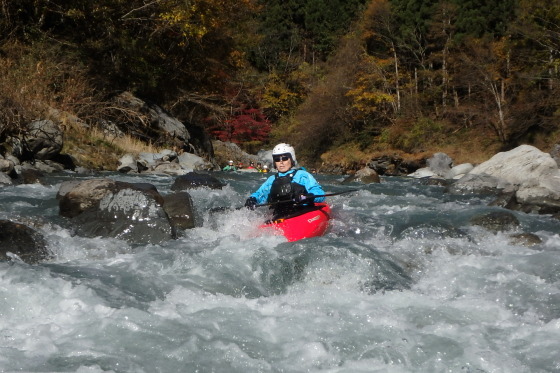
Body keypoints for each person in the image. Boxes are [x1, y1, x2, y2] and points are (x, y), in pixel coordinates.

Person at [245, 143, 325, 219]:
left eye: (284, 158)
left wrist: (307, 196)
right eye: (277, 159)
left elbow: (319, 193)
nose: (281, 162)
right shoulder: (272, 179)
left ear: (291, 159)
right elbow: (260, 194)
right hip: (280, 215)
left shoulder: (302, 175)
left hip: (303, 211)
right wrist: (253, 199)